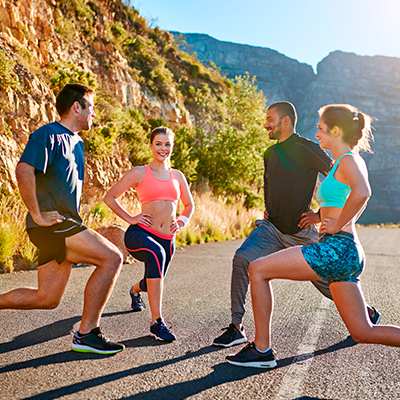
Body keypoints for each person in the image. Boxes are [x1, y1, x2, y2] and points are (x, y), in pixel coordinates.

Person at [226, 104, 400, 368]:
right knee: (363, 332)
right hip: (343, 249)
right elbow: (348, 197)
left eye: (320, 129)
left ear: (336, 130)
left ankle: (262, 350)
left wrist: (338, 223)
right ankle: (261, 349)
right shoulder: (342, 163)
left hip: (338, 248)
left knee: (258, 269)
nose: (317, 134)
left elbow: (362, 193)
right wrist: (326, 219)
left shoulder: (350, 160)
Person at [0, 84, 125, 355]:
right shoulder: (49, 134)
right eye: (91, 107)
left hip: (62, 225)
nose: (95, 114)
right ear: (76, 107)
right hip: (54, 225)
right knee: (112, 258)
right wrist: (37, 214)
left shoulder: (76, 142)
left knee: (46, 299)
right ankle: (87, 333)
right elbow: (23, 170)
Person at [104, 126, 194, 342]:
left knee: (153, 279)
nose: (163, 148)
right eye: (158, 144)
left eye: (167, 144)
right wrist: (131, 218)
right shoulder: (139, 172)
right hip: (140, 234)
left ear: (172, 147)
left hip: (167, 239)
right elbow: (110, 197)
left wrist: (181, 221)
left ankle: (135, 291)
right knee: (155, 256)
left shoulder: (177, 176)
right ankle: (157, 323)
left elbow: (189, 205)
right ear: (151, 145)